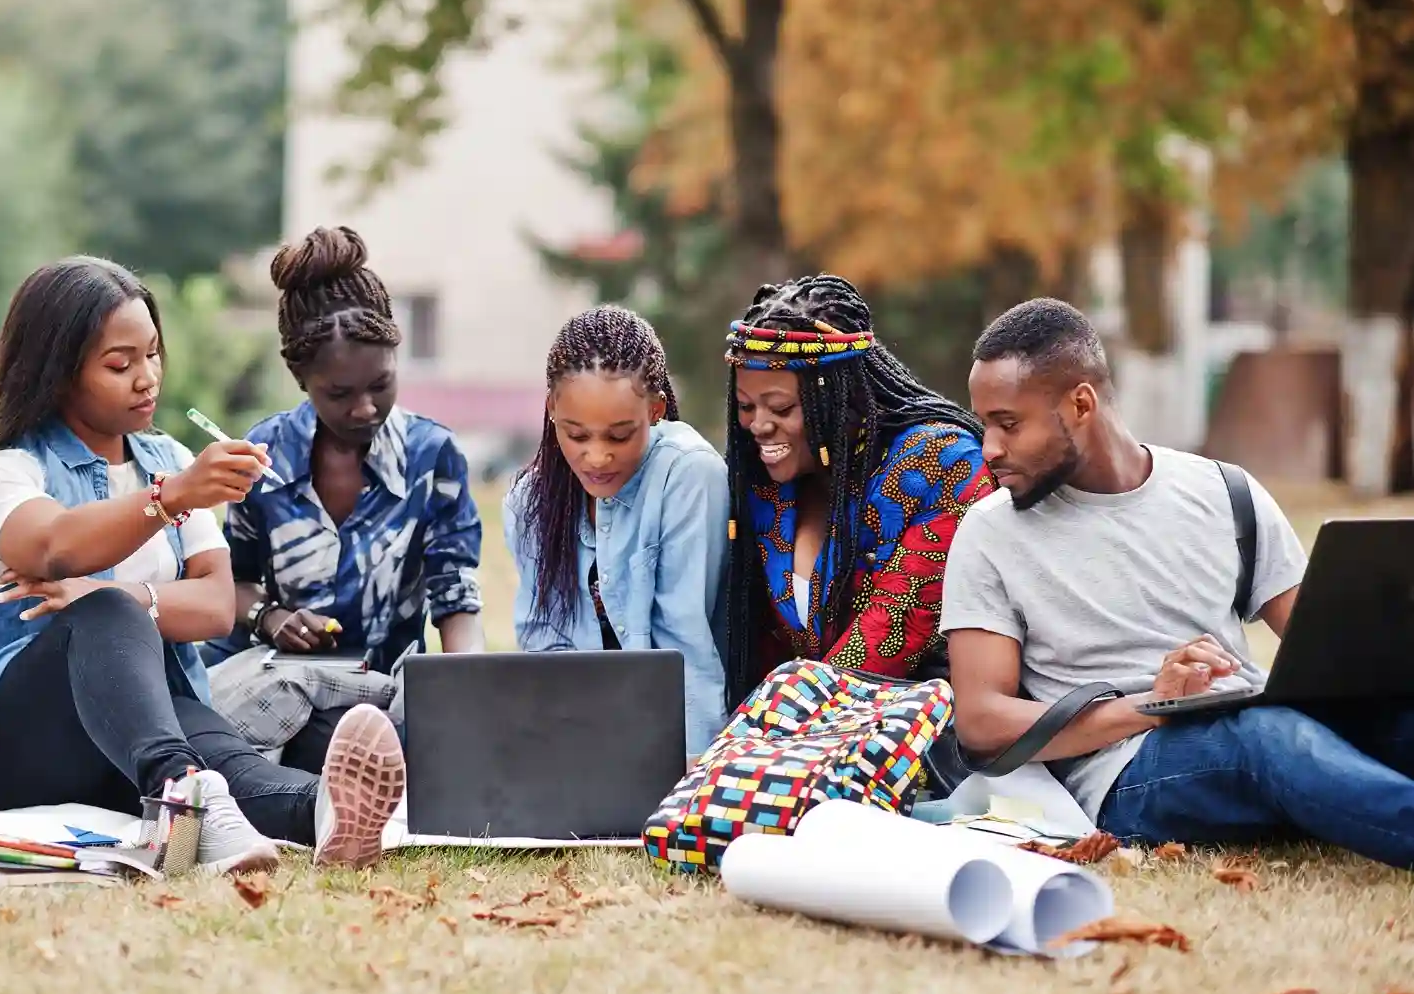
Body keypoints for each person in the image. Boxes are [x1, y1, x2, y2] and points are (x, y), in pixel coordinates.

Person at [0, 256, 406, 872]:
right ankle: (182, 796)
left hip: (143, 728)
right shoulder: (10, 470)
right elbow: (51, 545)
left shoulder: (168, 458)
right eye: (120, 365)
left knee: (240, 773)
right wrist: (167, 502)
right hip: (24, 743)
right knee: (108, 614)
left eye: (152, 354)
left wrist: (129, 593)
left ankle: (326, 813)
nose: (147, 378)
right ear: (58, 372)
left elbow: (216, 606)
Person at [943, 298, 1414, 868]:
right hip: (1128, 769)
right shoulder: (989, 534)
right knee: (1269, 736)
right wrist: (1153, 704)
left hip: (1250, 720)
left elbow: (1328, 652)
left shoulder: (1224, 490)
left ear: (1081, 404)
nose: (989, 448)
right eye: (985, 424)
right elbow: (982, 722)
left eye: (1009, 424)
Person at [201, 227, 485, 771]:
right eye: (339, 393)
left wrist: (467, 693)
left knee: (388, 747)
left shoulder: (432, 457)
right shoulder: (264, 457)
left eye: (381, 384)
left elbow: (456, 598)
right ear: (300, 378)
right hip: (275, 688)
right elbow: (228, 582)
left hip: (382, 696)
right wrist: (272, 617)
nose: (365, 408)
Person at [720, 274, 994, 705]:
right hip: (794, 727)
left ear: (841, 397)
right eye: (745, 406)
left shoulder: (941, 464)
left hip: (918, 725)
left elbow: (890, 633)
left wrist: (779, 723)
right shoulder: (762, 487)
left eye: (781, 407)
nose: (758, 425)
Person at [504, 305, 729, 759]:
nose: (597, 457)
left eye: (619, 436)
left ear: (656, 410)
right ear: (551, 410)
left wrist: (691, 772)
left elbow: (688, 647)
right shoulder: (529, 501)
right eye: (577, 435)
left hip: (678, 743)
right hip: (579, 743)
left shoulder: (688, 476)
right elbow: (544, 650)